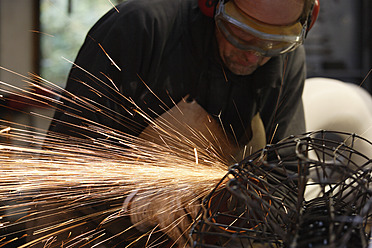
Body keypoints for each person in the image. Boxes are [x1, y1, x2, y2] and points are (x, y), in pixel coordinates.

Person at [46, 0, 319, 246]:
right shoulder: (139, 27)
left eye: (273, 42)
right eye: (242, 34)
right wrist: (135, 201)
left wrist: (249, 212)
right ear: (212, 5)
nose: (254, 55)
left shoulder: (287, 58)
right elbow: (64, 161)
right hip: (87, 233)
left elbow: (287, 176)